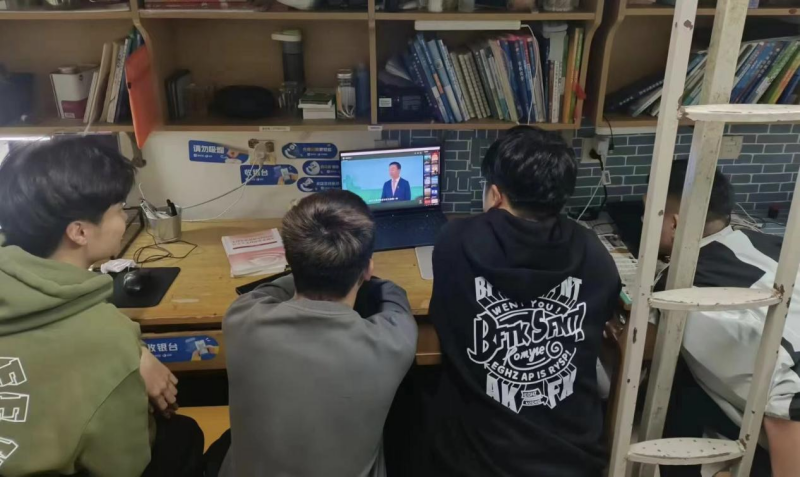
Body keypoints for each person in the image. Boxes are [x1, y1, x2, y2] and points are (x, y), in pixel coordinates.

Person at [0, 137, 203, 477]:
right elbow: (124, 465)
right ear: (79, 232)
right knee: (183, 435)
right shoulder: (107, 340)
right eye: (119, 210)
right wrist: (124, 354)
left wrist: (134, 352)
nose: (125, 219)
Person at [425, 126, 621, 477]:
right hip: (573, 460)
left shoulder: (454, 241)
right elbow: (603, 311)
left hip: (479, 460)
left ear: (495, 195)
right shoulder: (592, 251)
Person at [217, 189, 418, 477]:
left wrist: (311, 265)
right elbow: (394, 295)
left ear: (291, 260)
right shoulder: (394, 341)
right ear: (366, 270)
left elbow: (266, 290)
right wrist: (355, 270)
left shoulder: (240, 318)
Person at [651, 160, 800, 477]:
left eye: (648, 213)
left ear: (674, 224)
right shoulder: (769, 243)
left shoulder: (683, 291)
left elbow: (785, 403)